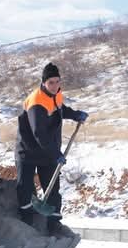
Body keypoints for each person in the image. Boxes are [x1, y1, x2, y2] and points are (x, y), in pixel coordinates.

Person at [16, 62, 87, 225]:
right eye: (51, 83)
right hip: (28, 151)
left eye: (57, 81)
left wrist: (75, 114)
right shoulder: (36, 102)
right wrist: (55, 153)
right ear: (43, 83)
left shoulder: (57, 95)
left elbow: (59, 109)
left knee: (53, 188)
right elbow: (39, 133)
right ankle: (27, 223)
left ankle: (54, 225)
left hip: (47, 151)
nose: (55, 86)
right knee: (25, 188)